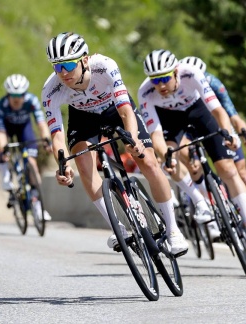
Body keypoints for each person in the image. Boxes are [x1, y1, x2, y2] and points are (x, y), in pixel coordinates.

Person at [42, 32, 188, 256]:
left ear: (84, 59)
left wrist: (134, 140)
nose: (63, 73)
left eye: (68, 65)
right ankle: (118, 228)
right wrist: (63, 166)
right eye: (57, 67)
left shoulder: (104, 66)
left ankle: (173, 231)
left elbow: (125, 110)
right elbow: (57, 137)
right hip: (83, 117)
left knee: (147, 161)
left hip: (115, 109)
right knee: (82, 163)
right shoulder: (51, 90)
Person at [137, 49, 246, 252]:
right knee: (171, 156)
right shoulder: (145, 92)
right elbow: (156, 138)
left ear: (175, 72)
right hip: (171, 118)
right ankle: (200, 202)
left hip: (198, 111)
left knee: (228, 169)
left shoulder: (190, 73)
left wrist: (229, 134)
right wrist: (167, 157)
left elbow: (218, 110)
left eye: (164, 78)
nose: (161, 85)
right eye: (155, 80)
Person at [179, 56, 246, 249]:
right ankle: (211, 213)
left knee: (242, 174)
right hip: (192, 127)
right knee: (194, 164)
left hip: (217, 126)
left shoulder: (213, 83)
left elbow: (233, 115)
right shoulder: (180, 87)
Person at [0, 73, 52, 221]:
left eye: (20, 95)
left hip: (24, 128)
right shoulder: (1, 106)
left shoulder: (31, 101)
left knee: (31, 163)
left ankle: (37, 203)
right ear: (8, 94)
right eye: (13, 95)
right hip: (6, 129)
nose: (17, 98)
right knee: (1, 148)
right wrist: (3, 149)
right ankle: (5, 176)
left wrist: (46, 139)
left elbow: (40, 122)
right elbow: (0, 132)